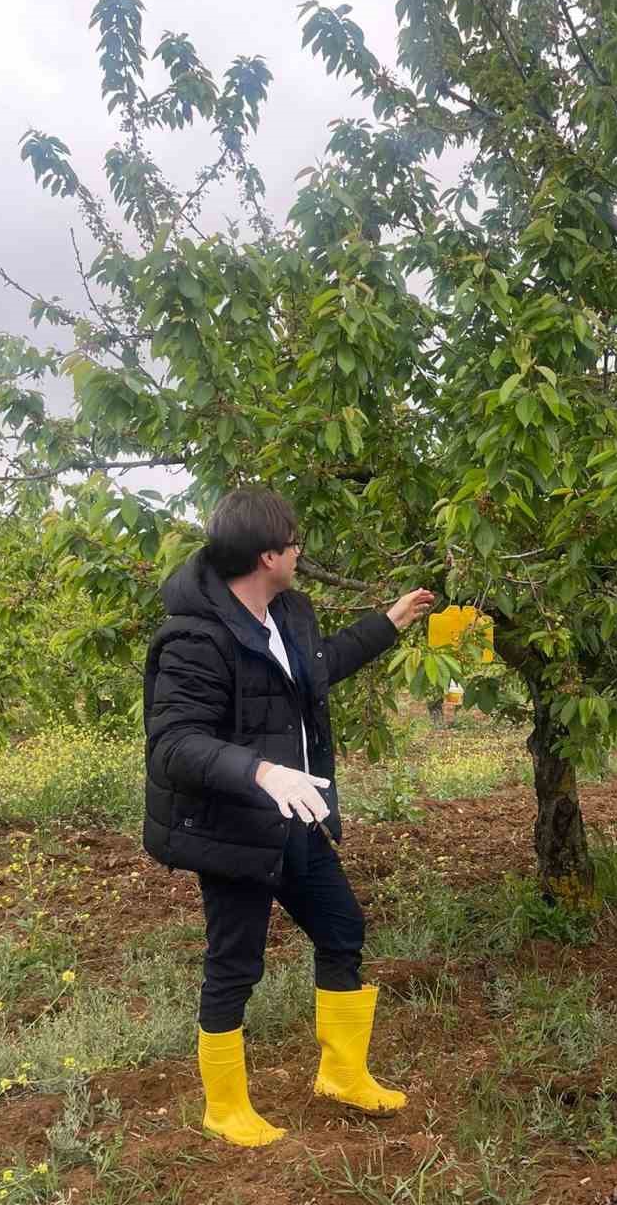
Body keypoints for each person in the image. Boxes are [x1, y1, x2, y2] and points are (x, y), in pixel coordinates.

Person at [143, 489, 434, 1147]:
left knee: (341, 926)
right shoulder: (196, 637)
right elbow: (174, 745)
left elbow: (320, 668)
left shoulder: (286, 615)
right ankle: (224, 1107)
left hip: (293, 819)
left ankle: (341, 1074)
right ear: (268, 554)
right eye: (295, 543)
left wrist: (389, 622)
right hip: (234, 827)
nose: (302, 552)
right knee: (235, 964)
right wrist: (261, 772)